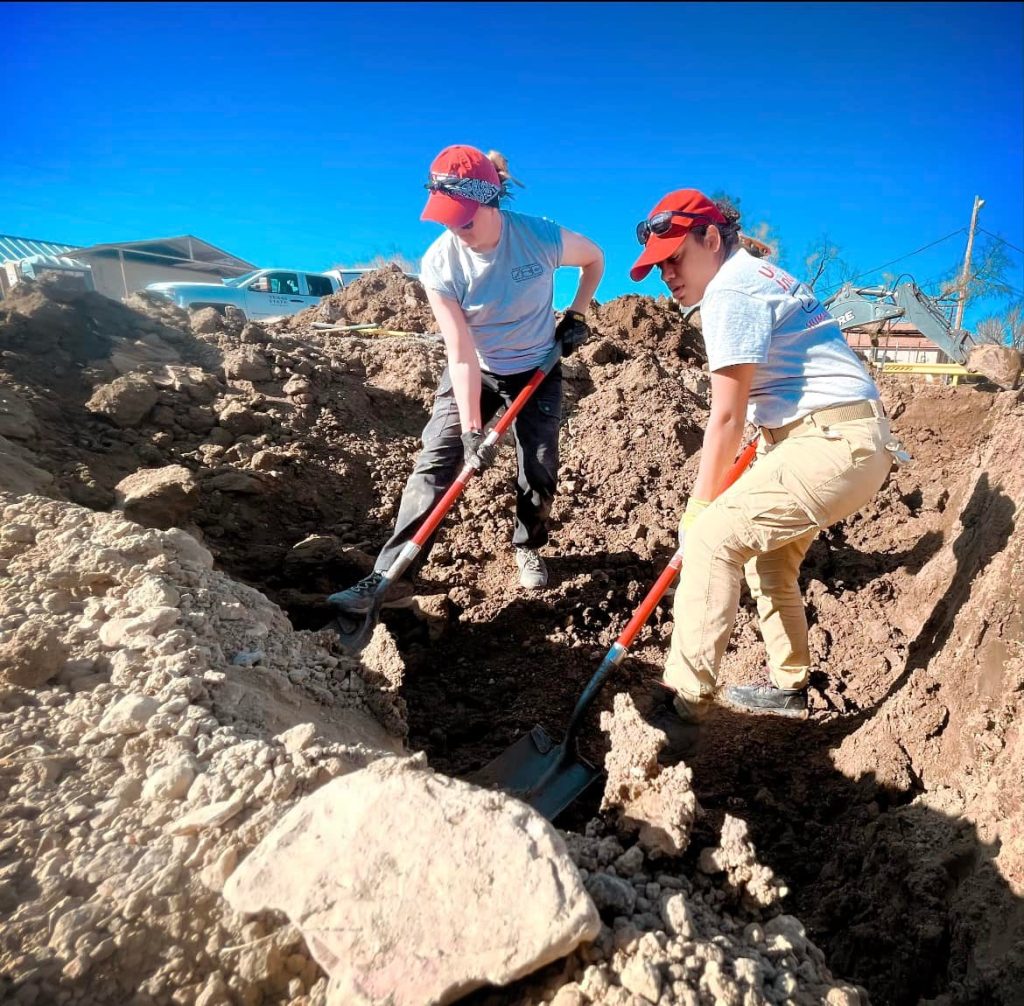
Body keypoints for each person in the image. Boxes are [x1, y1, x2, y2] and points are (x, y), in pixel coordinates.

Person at [630, 188, 900, 719]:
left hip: (830, 443)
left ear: (710, 237)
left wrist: (699, 508)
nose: (668, 276)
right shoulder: (759, 276)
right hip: (841, 440)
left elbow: (726, 416)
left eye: (674, 258)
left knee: (712, 540)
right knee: (770, 563)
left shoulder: (732, 291)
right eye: (658, 267)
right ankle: (790, 685)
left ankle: (682, 706)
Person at [329, 145, 604, 612]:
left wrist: (576, 313)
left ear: (490, 202)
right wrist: (472, 430)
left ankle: (527, 547)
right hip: (476, 369)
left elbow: (595, 258)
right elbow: (459, 352)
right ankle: (391, 576)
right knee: (435, 463)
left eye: (465, 219)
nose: (456, 229)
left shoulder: (540, 237)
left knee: (537, 469)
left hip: (538, 367)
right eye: (447, 219)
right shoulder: (440, 264)